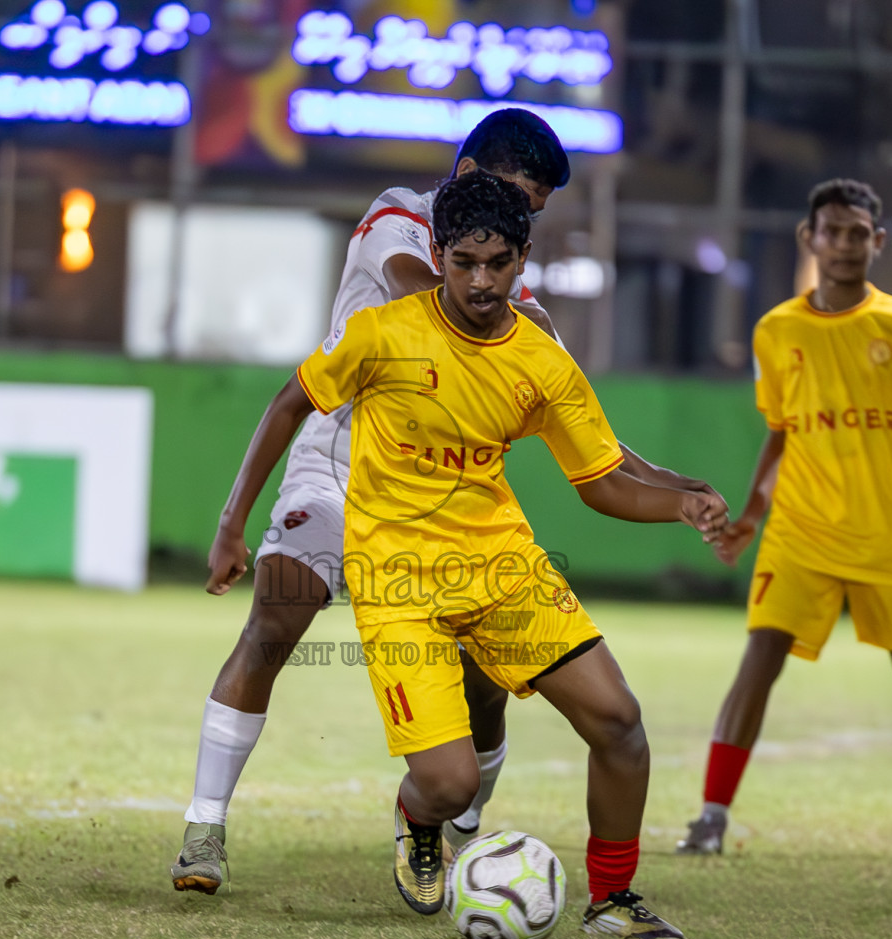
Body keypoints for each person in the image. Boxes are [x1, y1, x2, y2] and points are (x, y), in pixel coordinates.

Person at [171, 109, 717, 894]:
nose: (518, 224)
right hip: (339, 469)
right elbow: (416, 295)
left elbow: (580, 425)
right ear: (467, 180)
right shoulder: (403, 220)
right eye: (516, 200)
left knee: (486, 685)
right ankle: (204, 827)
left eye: (529, 218)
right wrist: (510, 314)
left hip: (449, 504)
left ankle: (451, 820)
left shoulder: (509, 301)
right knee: (274, 621)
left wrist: (673, 486)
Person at [677, 178, 892, 860]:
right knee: (758, 661)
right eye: (832, 231)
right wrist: (751, 515)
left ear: (876, 242)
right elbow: (782, 433)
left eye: (857, 234)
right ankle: (710, 818)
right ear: (808, 238)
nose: (844, 244)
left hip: (889, 531)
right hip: (801, 530)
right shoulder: (776, 330)